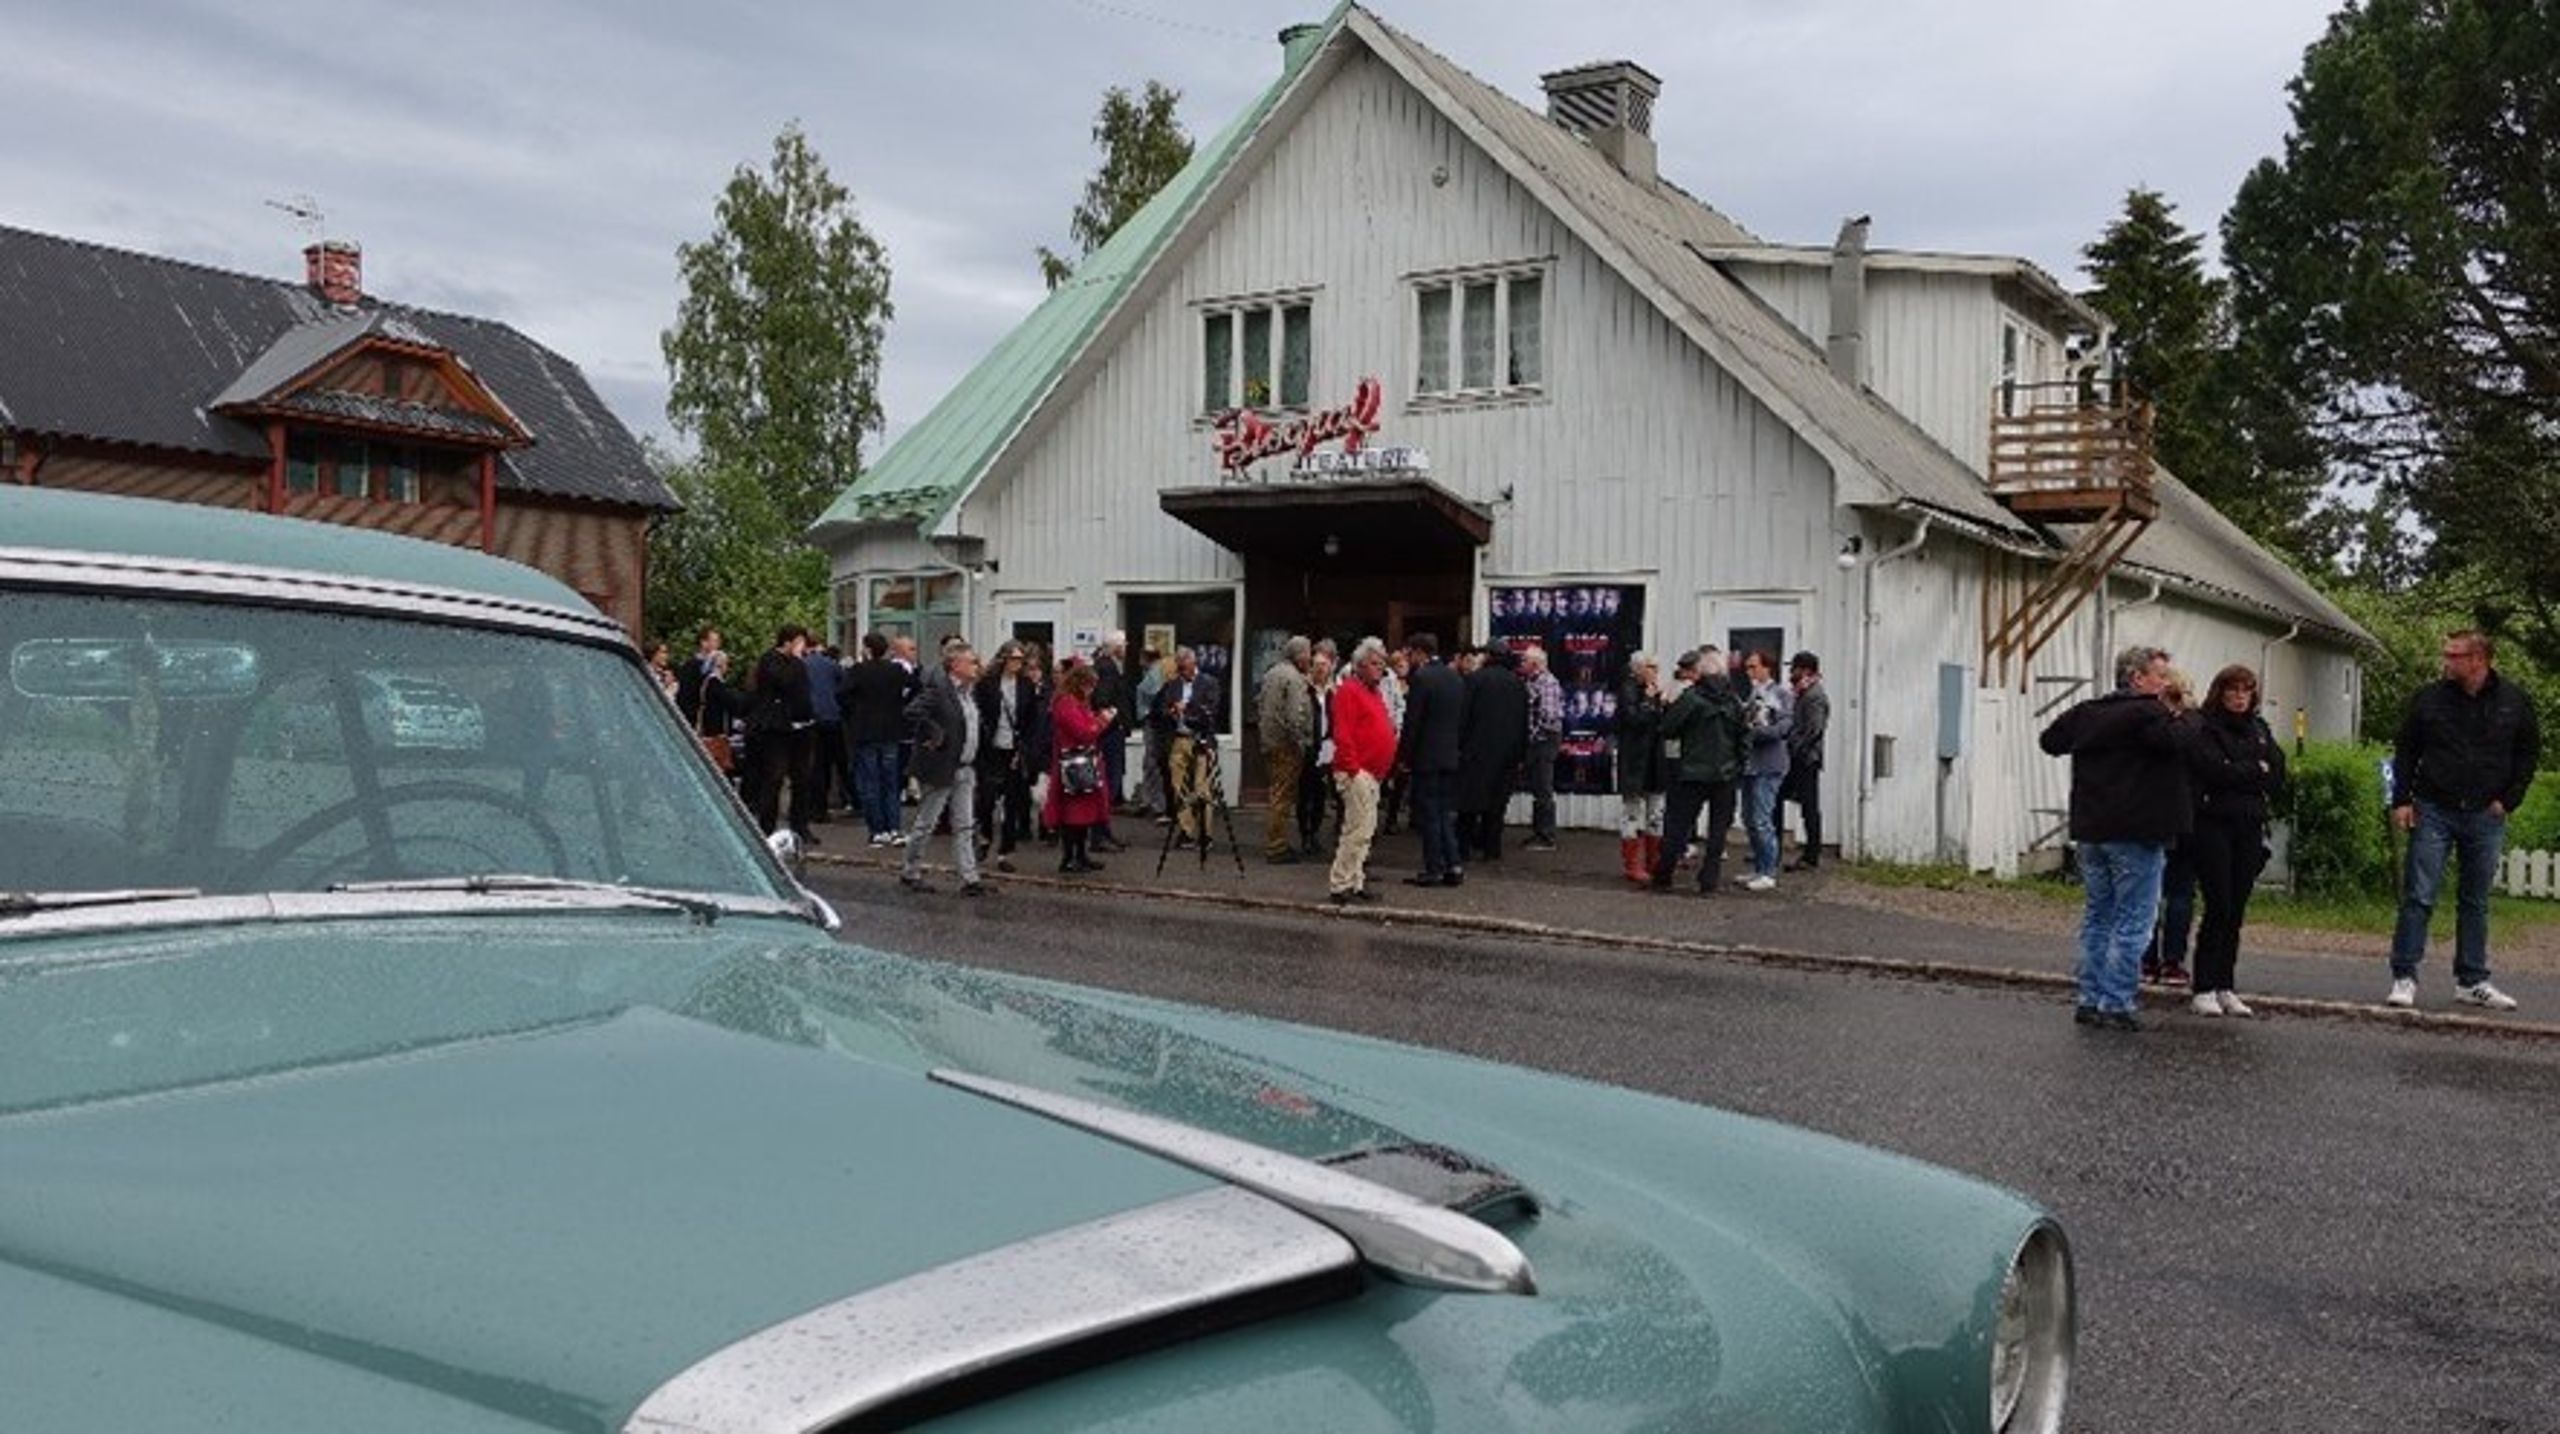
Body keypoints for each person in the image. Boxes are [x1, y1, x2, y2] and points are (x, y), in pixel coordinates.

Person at [2386, 629, 2539, 1011]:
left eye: (2454, 655)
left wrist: (2510, 799)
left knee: (2475, 899)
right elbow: (2406, 750)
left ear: (2478, 660)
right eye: (2446, 654)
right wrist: (2401, 798)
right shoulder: (2429, 699)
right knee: (2419, 894)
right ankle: (2404, 976)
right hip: (2434, 806)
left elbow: (2527, 752)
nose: (2446, 661)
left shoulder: (2514, 701)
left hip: (2486, 811)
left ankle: (2471, 979)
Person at [2040, 643, 2189, 1032]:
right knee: (2133, 920)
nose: (2166, 682)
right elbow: (2182, 742)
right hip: (2137, 831)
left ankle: (2089, 998)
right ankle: (2116, 1002)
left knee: (2098, 916)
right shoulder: (2152, 714)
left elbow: (2051, 740)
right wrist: (2178, 707)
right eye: (2160, 675)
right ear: (2137, 678)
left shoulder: (2090, 712)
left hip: (2092, 829)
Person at [2186, 664, 2288, 1017]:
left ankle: (2225, 984)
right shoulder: (2205, 726)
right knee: (2219, 905)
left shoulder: (2259, 728)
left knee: (2237, 910)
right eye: (2233, 690)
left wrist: (2249, 771)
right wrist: (2251, 770)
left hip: (2249, 825)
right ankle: (2203, 986)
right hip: (2213, 824)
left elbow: (2277, 772)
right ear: (2221, 692)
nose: (2240, 697)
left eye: (2246, 691)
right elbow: (2213, 770)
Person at [1650, 650, 1746, 892]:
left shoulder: (1691, 698)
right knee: (1718, 830)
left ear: (1700, 673)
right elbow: (1744, 735)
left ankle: (1663, 875)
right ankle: (1709, 882)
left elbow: (1668, 728)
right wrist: (1738, 765)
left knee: (1678, 825)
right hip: (1725, 774)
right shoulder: (1733, 700)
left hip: (1692, 772)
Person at [900, 642, 990, 896]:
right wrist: (933, 732)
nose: (976, 666)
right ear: (955, 665)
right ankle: (910, 870)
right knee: (927, 821)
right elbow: (912, 712)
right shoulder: (939, 690)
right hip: (942, 766)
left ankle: (969, 878)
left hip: (965, 766)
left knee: (964, 825)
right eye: (971, 661)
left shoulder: (969, 693)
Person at [2142, 668, 2201, 988]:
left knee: (2168, 893)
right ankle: (2164, 959)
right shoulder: (2193, 726)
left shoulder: (2151, 726)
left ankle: (2158, 958)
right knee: (2169, 893)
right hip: (2176, 818)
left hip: (2172, 819)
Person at [1327, 639, 1395, 905]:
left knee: (1365, 830)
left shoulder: (1372, 692)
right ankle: (1341, 883)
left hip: (1371, 772)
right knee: (1357, 830)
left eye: (1382, 664)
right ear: (1360, 665)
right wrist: (1353, 769)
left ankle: (1355, 882)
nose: (1381, 669)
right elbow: (1342, 733)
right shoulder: (1349, 692)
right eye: (1376, 664)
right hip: (1357, 771)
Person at [1397, 633, 1468, 886]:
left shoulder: (1422, 678)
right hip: (1449, 755)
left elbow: (1413, 721)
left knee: (1429, 814)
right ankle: (1454, 865)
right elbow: (1461, 720)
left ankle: (1434, 868)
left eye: (1410, 653)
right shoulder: (1455, 677)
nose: (1409, 658)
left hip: (1426, 756)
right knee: (1443, 812)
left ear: (1419, 652)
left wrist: (1404, 756)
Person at [1455, 645, 1527, 863]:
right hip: (1507, 753)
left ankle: (1463, 849)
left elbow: (1463, 716)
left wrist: (1459, 745)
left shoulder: (1475, 680)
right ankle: (1492, 849)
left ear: (1489, 657)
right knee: (1497, 805)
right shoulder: (1518, 684)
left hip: (1476, 751)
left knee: (1468, 804)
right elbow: (1524, 722)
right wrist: (1521, 754)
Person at [743, 626, 816, 839]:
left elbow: (803, 691)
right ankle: (766, 825)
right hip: (776, 728)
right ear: (788, 642)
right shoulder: (770, 660)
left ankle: (800, 825)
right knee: (774, 777)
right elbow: (782, 682)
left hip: (801, 726)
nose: (802, 647)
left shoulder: (799, 664)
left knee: (802, 778)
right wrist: (795, 659)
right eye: (799, 641)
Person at [842, 632, 914, 847]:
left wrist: (854, 711)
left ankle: (876, 830)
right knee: (891, 783)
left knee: (870, 783)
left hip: (866, 731)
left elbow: (842, 694)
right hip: (891, 730)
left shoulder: (858, 671)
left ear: (867, 649)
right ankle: (894, 828)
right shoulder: (895, 670)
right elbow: (915, 685)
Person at [1044, 662, 1115, 874]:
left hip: (1083, 761)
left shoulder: (1077, 701)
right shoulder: (1066, 703)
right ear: (1079, 683)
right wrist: (1103, 720)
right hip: (1073, 764)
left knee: (1085, 815)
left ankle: (1081, 855)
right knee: (1073, 815)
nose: (1091, 690)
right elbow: (1084, 732)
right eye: (1089, 685)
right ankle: (1069, 857)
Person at [973, 642, 1038, 872]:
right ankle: (984, 837)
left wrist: (1024, 750)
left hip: (1015, 749)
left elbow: (1031, 721)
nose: (1017, 664)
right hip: (991, 748)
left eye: (1020, 660)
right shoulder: (987, 684)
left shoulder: (1026, 685)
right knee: (987, 798)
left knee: (1013, 801)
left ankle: (1005, 852)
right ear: (1003, 659)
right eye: (1013, 659)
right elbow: (978, 714)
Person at [1151, 647, 1222, 848]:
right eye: (1180, 668)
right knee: (1178, 785)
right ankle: (1187, 830)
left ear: (1194, 663)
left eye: (1186, 667)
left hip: (1201, 739)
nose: (1183, 672)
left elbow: (1213, 710)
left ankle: (1206, 834)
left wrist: (1188, 708)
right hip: (1179, 739)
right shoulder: (1172, 685)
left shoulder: (1209, 683)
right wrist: (1172, 710)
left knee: (1202, 788)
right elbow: (1159, 711)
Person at [1738, 650, 1794, 891]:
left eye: (1753, 667)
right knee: (1749, 818)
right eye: (1747, 667)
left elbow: (1785, 726)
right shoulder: (1753, 693)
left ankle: (1769, 871)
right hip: (1751, 763)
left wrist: (1757, 733)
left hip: (1769, 763)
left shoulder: (1780, 694)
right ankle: (1759, 867)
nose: (1749, 672)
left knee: (1762, 819)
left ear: (1766, 668)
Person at [1257, 635, 1315, 863]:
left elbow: (1260, 703)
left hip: (1270, 741)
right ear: (1300, 655)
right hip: (1286, 744)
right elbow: (1295, 716)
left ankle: (1276, 842)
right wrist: (1302, 741)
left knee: (1276, 792)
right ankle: (1276, 846)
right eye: (1308, 653)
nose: (1310, 658)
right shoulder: (1294, 678)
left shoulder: (1272, 673)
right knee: (1282, 796)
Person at [1616, 651, 1669, 885]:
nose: (1655, 671)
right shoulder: (1628, 690)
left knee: (1656, 813)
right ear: (1638, 669)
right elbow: (1633, 720)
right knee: (1632, 813)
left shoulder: (1656, 692)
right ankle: (1632, 864)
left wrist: (1662, 703)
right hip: (1635, 761)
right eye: (1651, 667)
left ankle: (1654, 861)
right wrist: (1648, 702)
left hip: (1655, 761)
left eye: (1657, 667)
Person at [1781, 651, 1828, 871]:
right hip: (1799, 756)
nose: (1791, 672)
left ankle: (1812, 854)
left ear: (1806, 670)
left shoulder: (1814, 695)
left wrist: (1794, 744)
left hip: (1806, 758)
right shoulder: (1803, 692)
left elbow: (1814, 729)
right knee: (1780, 798)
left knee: (1809, 806)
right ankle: (1776, 846)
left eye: (1795, 668)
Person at [1091, 631, 1133, 850]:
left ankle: (1103, 833)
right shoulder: (1108, 668)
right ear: (1116, 647)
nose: (1126, 649)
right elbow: (1103, 699)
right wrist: (1115, 719)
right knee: (1109, 783)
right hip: (1110, 734)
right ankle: (1099, 836)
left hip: (1108, 732)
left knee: (1108, 784)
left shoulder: (1104, 665)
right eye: (1123, 645)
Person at [1520, 645, 1565, 851]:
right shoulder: (1531, 681)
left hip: (1544, 740)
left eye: (1524, 661)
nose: (1521, 664)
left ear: (1535, 664)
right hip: (1540, 740)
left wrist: (1532, 736)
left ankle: (1546, 836)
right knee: (1538, 786)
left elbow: (1548, 716)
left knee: (1543, 787)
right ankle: (1539, 831)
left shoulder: (1547, 682)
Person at [1298, 646, 1340, 856]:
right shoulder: (1304, 690)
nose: (1321, 669)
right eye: (1317, 665)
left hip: (1327, 746)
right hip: (1308, 746)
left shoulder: (1334, 692)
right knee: (1305, 793)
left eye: (1324, 665)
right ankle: (1304, 834)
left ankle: (1314, 833)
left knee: (1321, 793)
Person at [803, 640, 847, 819]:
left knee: (814, 765)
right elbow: (844, 687)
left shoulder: (802, 665)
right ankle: (827, 805)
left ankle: (813, 806)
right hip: (832, 719)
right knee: (831, 763)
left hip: (811, 720)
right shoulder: (832, 665)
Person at [1134, 646, 1171, 817]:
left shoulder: (1154, 674)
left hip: (1153, 723)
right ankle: (1151, 800)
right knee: (1152, 762)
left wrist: (1144, 713)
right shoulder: (1159, 670)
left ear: (1145, 658)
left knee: (1152, 761)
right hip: (1156, 722)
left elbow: (1148, 693)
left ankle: (1156, 803)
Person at [1379, 645, 1411, 835]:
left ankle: (1391, 818)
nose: (1403, 667)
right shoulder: (1386, 682)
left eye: (1405, 663)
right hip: (1388, 737)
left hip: (1403, 738)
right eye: (1399, 664)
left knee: (1401, 780)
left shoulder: (1414, 683)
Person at [675, 625, 722, 728]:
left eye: (718, 641)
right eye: (714, 641)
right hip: (694, 720)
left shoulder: (714, 666)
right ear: (703, 642)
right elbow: (685, 696)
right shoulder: (691, 666)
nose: (717, 645)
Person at [644, 639, 680, 704]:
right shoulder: (645, 673)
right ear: (653, 653)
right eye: (663, 652)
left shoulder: (666, 675)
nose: (666, 656)